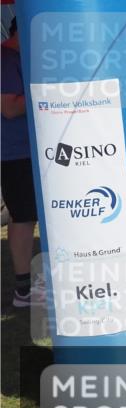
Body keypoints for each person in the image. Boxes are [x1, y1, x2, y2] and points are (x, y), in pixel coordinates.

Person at [1, 18, 43, 307]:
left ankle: (28, 285)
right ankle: (23, 289)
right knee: (23, 217)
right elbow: (10, 108)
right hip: (14, 152)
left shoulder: (15, 57)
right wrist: (42, 89)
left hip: (28, 150)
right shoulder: (5, 59)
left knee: (29, 215)